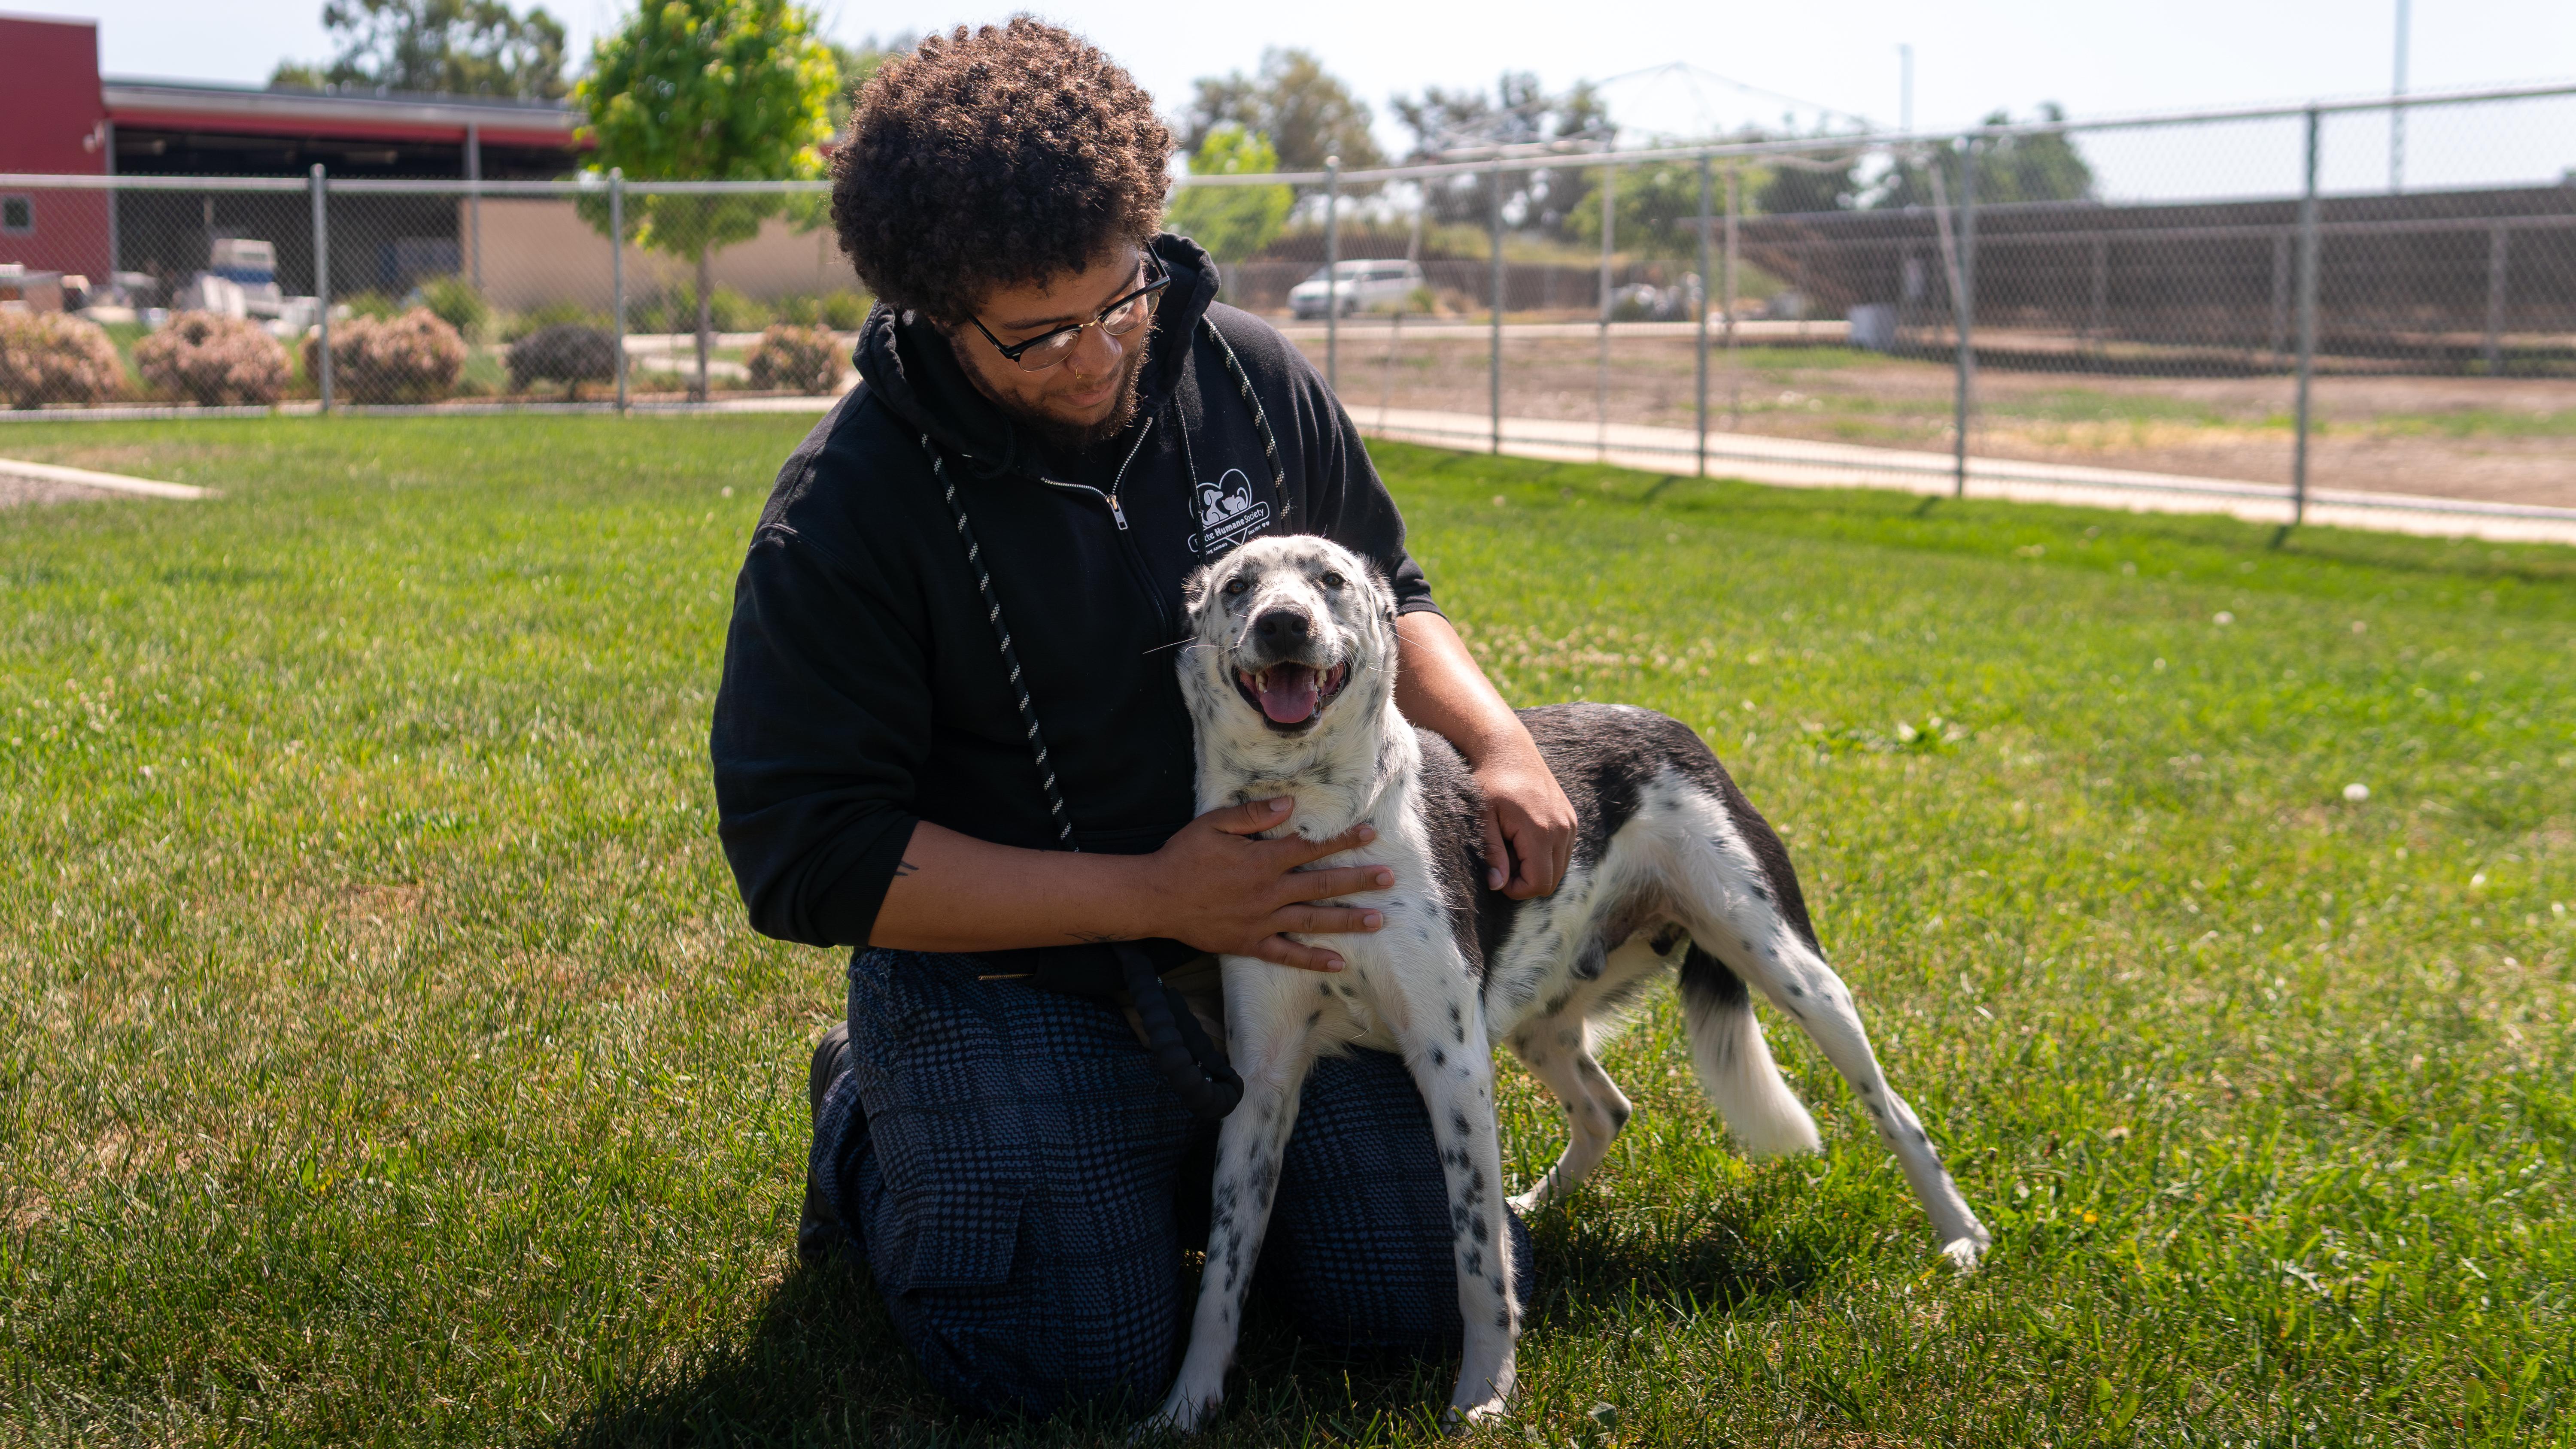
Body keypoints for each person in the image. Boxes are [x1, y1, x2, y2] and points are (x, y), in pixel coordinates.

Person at [710, 18, 1576, 1419]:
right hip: (1016, 973)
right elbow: (810, 856)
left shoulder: (1246, 372)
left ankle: (1152, 1154)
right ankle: (869, 1123)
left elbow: (1392, 587)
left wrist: (1501, 741)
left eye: (1120, 300)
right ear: (937, 310)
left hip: (1287, 939)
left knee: (1407, 1298)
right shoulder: (846, 514)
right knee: (1069, 1362)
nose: (1098, 352)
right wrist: (1159, 893)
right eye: (1037, 334)